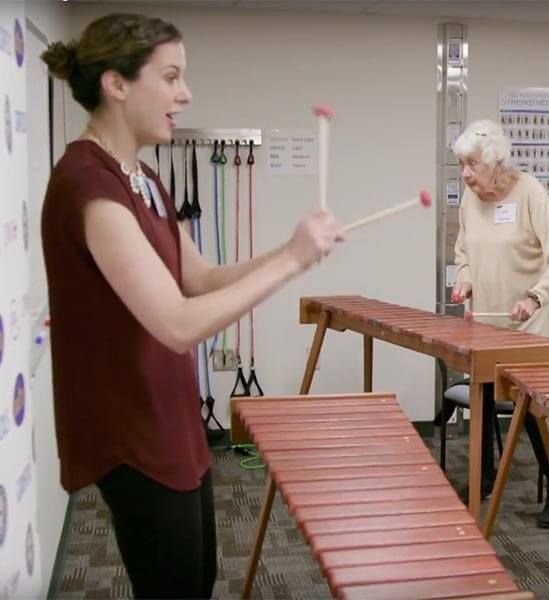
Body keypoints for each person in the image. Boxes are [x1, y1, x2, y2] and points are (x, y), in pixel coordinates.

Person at [41, 14, 342, 598]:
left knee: (196, 580)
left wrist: (291, 247)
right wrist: (293, 264)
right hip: (130, 431)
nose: (186, 94)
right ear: (117, 84)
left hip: (169, 414)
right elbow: (177, 324)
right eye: (172, 76)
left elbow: (198, 278)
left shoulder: (143, 177)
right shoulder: (88, 184)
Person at [451, 119, 549, 529]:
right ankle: (482, 480)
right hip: (486, 326)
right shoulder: (470, 199)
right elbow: (462, 249)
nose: (465, 173)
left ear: (495, 162)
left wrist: (535, 296)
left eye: (472, 164)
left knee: (534, 413)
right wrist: (464, 278)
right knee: (483, 401)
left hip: (529, 327)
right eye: (461, 164)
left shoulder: (529, 192)